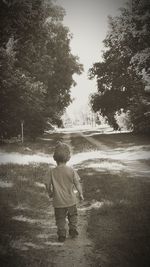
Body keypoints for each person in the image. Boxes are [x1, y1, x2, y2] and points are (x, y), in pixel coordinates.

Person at [45, 141, 84, 242]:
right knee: (73, 215)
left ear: (55, 157)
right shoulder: (71, 170)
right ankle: (73, 229)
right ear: (68, 157)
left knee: (60, 219)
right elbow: (77, 183)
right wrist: (81, 193)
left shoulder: (51, 172)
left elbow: (47, 184)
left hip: (58, 202)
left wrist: (49, 193)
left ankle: (62, 235)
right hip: (71, 200)